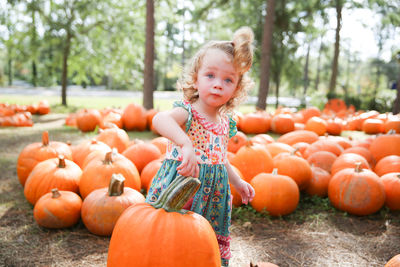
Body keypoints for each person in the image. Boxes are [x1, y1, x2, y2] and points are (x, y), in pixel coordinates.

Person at [146, 27, 256, 266]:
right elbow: (158, 120)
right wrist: (185, 143)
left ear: (236, 89)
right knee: (173, 237)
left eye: (228, 80)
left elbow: (220, 158)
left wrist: (237, 182)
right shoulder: (187, 112)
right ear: (196, 78)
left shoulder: (226, 123)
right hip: (184, 186)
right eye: (210, 76)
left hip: (213, 196)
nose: (218, 84)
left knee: (202, 243)